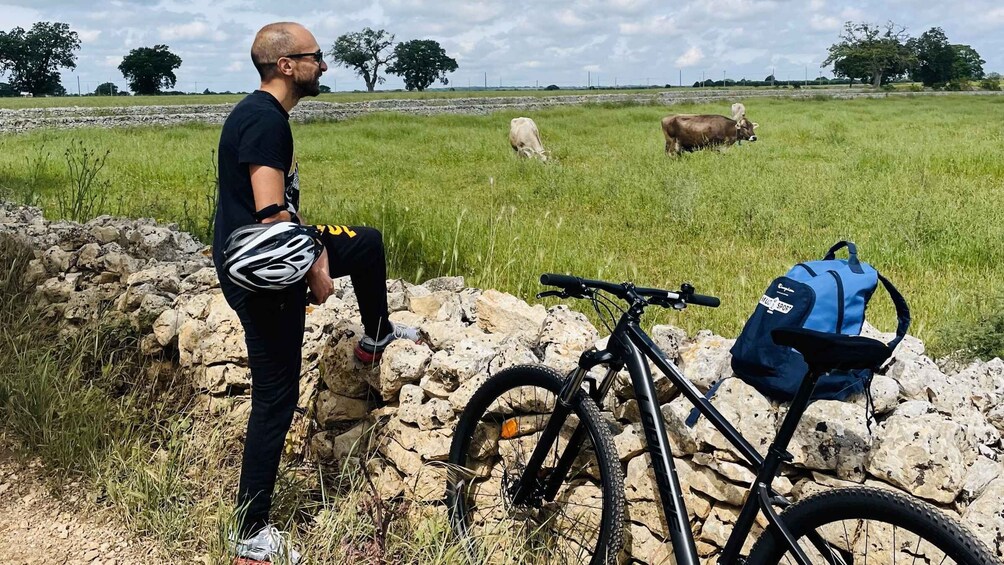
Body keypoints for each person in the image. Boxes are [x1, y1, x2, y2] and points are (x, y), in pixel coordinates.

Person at [212, 21, 419, 564]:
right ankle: (251, 536)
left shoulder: (259, 114)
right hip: (264, 279)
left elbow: (277, 212)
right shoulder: (264, 120)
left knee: (367, 244)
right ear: (286, 65)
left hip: (260, 263)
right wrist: (312, 262)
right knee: (275, 399)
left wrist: (318, 248)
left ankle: (375, 336)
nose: (324, 66)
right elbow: (269, 211)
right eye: (316, 57)